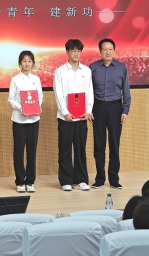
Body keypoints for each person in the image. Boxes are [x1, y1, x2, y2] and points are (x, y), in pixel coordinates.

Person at [89, 38, 131, 189]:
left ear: (114, 51)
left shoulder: (121, 67)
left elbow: (126, 90)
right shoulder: (93, 67)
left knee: (114, 145)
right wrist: (89, 110)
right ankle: (100, 178)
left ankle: (114, 179)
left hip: (115, 108)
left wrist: (125, 110)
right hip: (98, 108)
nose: (107, 52)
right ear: (100, 51)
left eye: (110, 49)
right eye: (104, 49)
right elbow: (88, 90)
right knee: (99, 145)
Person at [53, 39, 94, 191]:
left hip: (82, 117)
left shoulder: (86, 71)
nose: (76, 54)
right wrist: (65, 112)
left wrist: (88, 111)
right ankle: (66, 181)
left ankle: (81, 179)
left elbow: (90, 92)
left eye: (78, 51)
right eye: (73, 51)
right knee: (65, 149)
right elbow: (58, 94)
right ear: (67, 52)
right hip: (66, 118)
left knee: (80, 149)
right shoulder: (60, 71)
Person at [8, 50, 43, 193]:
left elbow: (40, 96)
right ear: (20, 63)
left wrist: (38, 106)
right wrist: (20, 107)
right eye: (24, 61)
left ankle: (30, 181)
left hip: (34, 119)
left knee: (31, 151)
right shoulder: (15, 79)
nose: (27, 64)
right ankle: (20, 181)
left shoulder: (36, 79)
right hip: (19, 119)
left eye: (29, 61)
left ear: (33, 63)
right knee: (19, 151)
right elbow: (11, 99)